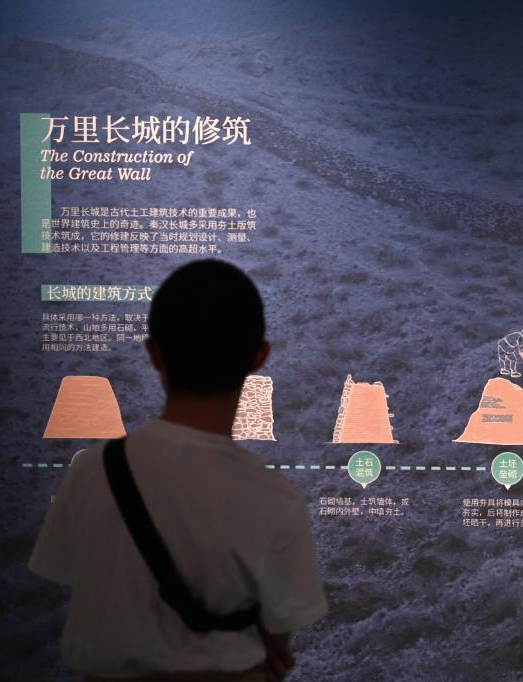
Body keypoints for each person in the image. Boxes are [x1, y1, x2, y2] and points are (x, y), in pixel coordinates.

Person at [29, 260, 327, 682]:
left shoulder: (92, 470)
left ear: (154, 354)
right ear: (260, 356)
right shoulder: (277, 498)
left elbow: (75, 578)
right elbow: (280, 632)